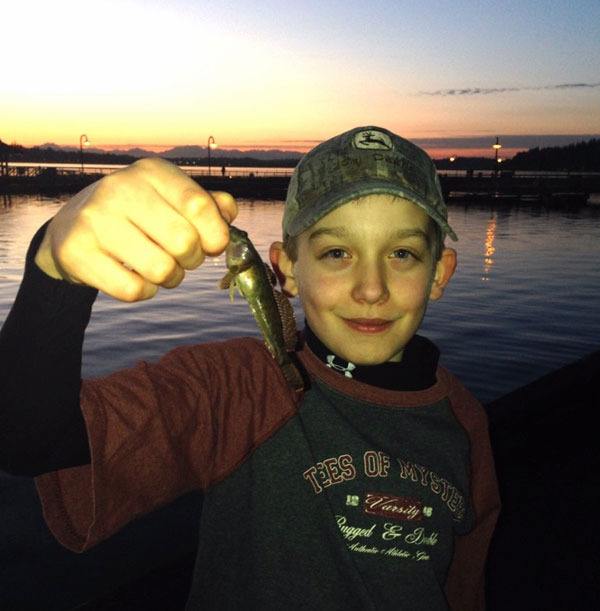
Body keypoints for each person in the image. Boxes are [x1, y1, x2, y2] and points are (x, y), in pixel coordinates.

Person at [0, 126, 500, 610]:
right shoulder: (236, 389)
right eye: (337, 253)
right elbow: (27, 439)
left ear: (439, 273)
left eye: (403, 253)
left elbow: (463, 585)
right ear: (286, 271)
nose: (371, 289)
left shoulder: (464, 420)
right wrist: (54, 274)